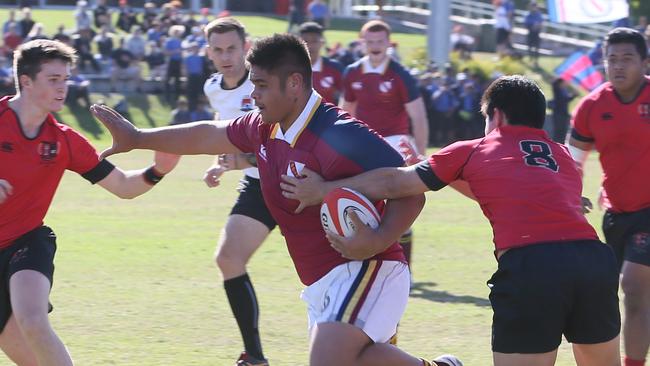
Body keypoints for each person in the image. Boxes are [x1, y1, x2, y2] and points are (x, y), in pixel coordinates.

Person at [91, 33, 462, 366]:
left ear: (295, 84)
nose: (253, 95)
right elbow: (208, 134)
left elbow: (409, 189)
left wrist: (375, 239)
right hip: (320, 281)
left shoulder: (339, 133)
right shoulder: (263, 127)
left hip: (369, 268)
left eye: (263, 85)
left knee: (328, 360)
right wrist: (139, 137)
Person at [281, 75, 621, 366]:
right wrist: (441, 167)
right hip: (592, 260)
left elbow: (393, 183)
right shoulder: (558, 155)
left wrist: (324, 189)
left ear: (497, 116)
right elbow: (505, 191)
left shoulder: (474, 149)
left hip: (532, 266)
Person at [0, 39, 178, 366]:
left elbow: (123, 186)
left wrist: (157, 171)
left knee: (34, 322)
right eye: (53, 79)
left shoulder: (65, 140)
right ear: (26, 81)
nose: (63, 87)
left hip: (27, 242)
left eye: (65, 79)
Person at [567, 27, 650, 366]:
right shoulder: (591, 106)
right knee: (624, 294)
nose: (618, 66)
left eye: (627, 58)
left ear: (645, 62)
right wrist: (573, 192)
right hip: (616, 212)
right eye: (611, 59)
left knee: (632, 287)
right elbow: (573, 156)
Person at [201, 17, 275, 366]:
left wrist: (239, 160)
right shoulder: (213, 88)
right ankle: (255, 356)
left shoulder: (266, 82)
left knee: (333, 269)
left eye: (232, 47)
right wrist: (222, 164)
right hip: (259, 186)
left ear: (246, 47)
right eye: (217, 49)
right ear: (208, 52)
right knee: (228, 258)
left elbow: (281, 143)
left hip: (299, 183)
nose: (225, 55)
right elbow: (229, 136)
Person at [341, 19, 429, 269]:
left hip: (395, 145)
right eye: (370, 42)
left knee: (401, 209)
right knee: (361, 204)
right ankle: (366, 260)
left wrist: (420, 155)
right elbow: (345, 113)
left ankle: (404, 269)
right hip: (365, 145)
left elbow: (419, 117)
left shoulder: (401, 75)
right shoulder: (353, 73)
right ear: (362, 43)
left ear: (389, 43)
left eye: (380, 42)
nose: (375, 47)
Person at [298, 22, 344, 105]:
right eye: (305, 41)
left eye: (314, 41)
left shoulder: (335, 68)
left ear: (322, 42)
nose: (310, 46)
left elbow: (345, 98)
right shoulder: (288, 70)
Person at [550, 77, 575, 143]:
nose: (565, 84)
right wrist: (572, 96)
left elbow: (566, 99)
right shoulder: (557, 90)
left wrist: (572, 96)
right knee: (558, 131)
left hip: (563, 113)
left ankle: (561, 145)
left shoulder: (563, 90)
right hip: (558, 113)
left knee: (563, 132)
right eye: (563, 82)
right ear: (560, 83)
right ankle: (557, 145)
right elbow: (563, 99)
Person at [524, 2, 543, 67]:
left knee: (537, 48)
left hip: (537, 33)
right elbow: (526, 24)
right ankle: (531, 60)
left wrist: (537, 26)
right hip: (530, 32)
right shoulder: (528, 15)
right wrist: (532, 26)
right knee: (530, 47)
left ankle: (536, 61)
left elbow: (541, 23)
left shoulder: (538, 14)